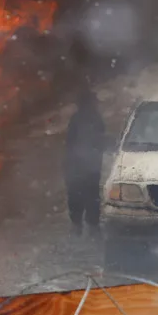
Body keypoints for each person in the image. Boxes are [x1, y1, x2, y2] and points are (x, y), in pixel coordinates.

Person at [64, 85, 106, 236]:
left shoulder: (79, 118)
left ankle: (80, 225)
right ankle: (89, 225)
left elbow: (70, 142)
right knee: (89, 194)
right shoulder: (93, 118)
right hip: (87, 165)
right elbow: (99, 140)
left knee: (78, 194)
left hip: (82, 165)